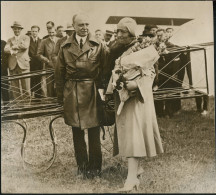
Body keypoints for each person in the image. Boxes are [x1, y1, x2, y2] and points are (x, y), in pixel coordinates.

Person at [106, 17, 164, 192]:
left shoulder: (144, 47)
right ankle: (137, 169)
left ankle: (131, 180)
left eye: (122, 31)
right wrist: (114, 85)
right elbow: (115, 70)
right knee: (130, 136)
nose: (118, 35)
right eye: (117, 31)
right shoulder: (118, 50)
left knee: (134, 136)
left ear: (131, 33)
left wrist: (135, 85)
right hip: (123, 97)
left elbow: (152, 73)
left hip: (137, 99)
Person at [55, 13, 108, 179]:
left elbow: (105, 71)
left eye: (87, 24)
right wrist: (60, 97)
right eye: (81, 25)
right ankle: (82, 167)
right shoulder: (64, 47)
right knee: (76, 131)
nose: (84, 28)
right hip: (72, 91)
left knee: (94, 131)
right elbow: (59, 73)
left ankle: (96, 168)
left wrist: (103, 92)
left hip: (92, 90)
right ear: (73, 26)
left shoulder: (99, 45)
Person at [4, 21, 31, 101]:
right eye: (15, 29)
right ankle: (18, 108)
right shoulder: (9, 39)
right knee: (15, 89)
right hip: (12, 65)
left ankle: (27, 108)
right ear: (13, 29)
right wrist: (12, 51)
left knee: (26, 89)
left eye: (18, 29)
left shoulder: (26, 37)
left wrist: (14, 46)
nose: (16, 30)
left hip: (23, 65)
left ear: (21, 29)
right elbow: (5, 49)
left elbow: (25, 46)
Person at [37, 26, 59, 97]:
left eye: (53, 32)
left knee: (59, 86)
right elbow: (39, 54)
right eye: (50, 32)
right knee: (50, 87)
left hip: (59, 67)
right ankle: (51, 103)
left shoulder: (60, 40)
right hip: (49, 67)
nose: (51, 34)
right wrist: (46, 60)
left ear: (55, 32)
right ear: (48, 32)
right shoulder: (44, 41)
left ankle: (60, 103)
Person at [29, 25, 43, 98]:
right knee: (30, 82)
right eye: (33, 31)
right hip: (30, 64)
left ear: (38, 32)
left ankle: (38, 99)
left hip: (39, 65)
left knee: (38, 82)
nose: (34, 33)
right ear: (31, 31)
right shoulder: (28, 40)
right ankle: (30, 98)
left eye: (36, 31)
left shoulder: (41, 41)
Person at [1, 40, 10, 105]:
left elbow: (7, 56)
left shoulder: (3, 43)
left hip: (3, 70)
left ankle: (7, 107)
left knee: (5, 89)